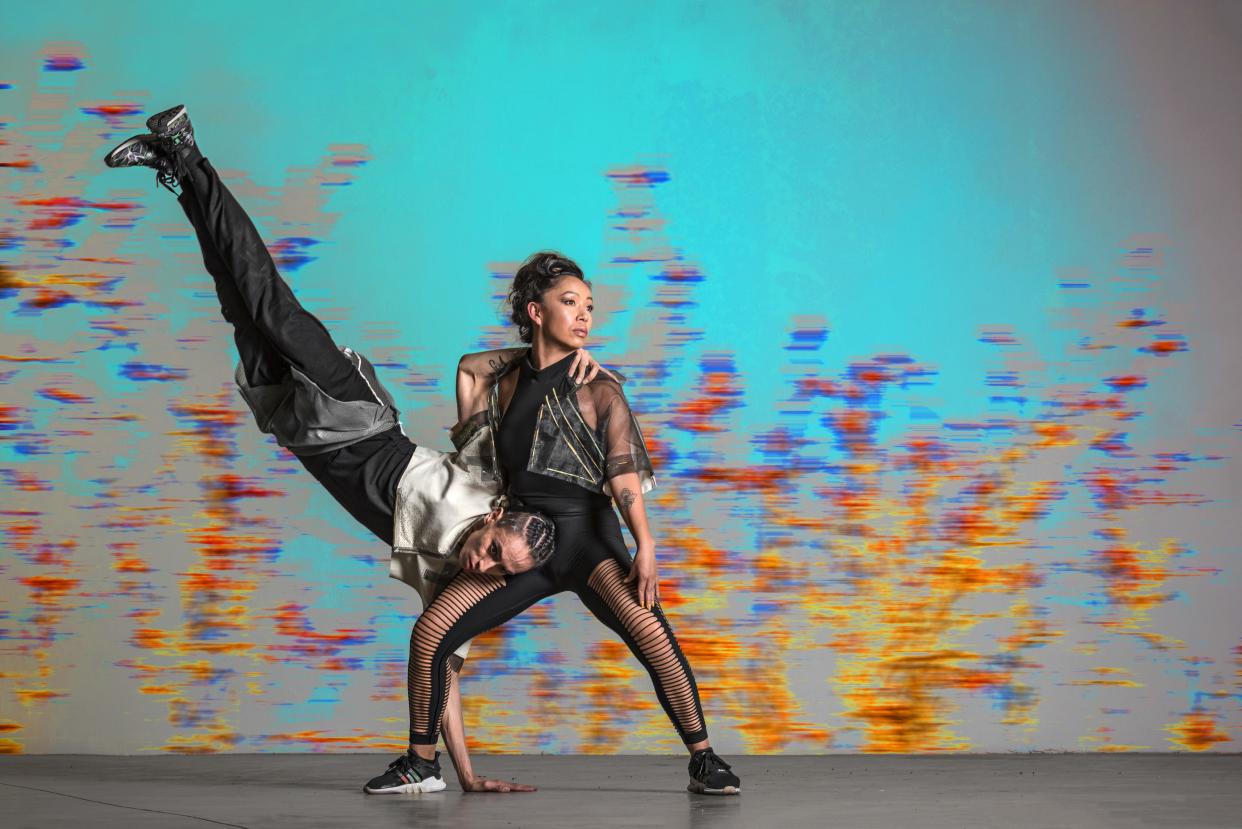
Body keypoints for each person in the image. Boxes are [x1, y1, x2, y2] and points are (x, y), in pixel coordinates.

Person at [102, 105, 608, 794]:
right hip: (358, 413)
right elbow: (473, 370)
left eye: (495, 571)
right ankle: (190, 153)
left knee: (235, 301)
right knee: (269, 301)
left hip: (307, 433)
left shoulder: (451, 583)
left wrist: (468, 773)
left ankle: (178, 170)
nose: (482, 564)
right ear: (497, 518)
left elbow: (444, 676)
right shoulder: (487, 483)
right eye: (494, 551)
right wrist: (557, 360)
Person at [403, 253, 742, 795]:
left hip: (588, 539)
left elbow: (623, 476)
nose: (584, 316)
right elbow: (469, 367)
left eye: (589, 307)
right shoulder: (509, 381)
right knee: (431, 634)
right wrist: (537, 354)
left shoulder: (600, 388)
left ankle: (704, 760)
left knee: (650, 632)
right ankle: (420, 764)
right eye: (569, 303)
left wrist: (645, 545)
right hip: (523, 543)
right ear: (535, 312)